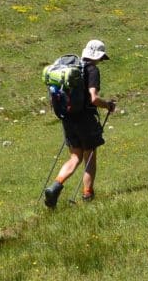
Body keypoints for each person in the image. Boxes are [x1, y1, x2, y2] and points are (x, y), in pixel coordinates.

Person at [43, 40, 117, 207]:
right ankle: (87, 196)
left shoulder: (73, 68)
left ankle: (55, 186)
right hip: (85, 119)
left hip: (68, 118)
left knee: (75, 157)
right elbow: (94, 98)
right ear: (97, 57)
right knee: (89, 157)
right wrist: (108, 105)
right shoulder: (92, 70)